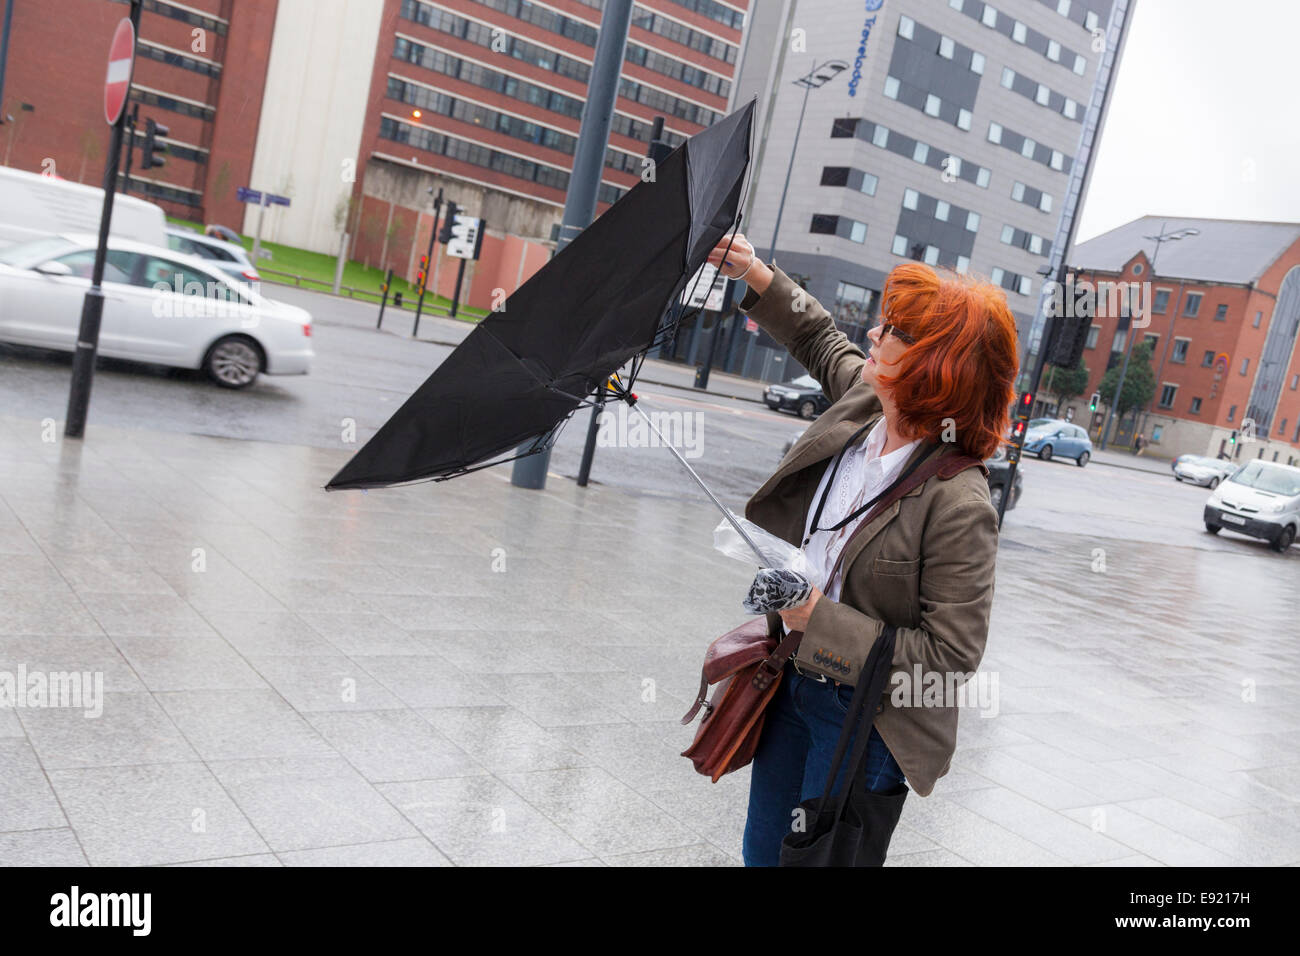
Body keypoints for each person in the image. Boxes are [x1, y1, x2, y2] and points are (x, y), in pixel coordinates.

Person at [707, 234, 1018, 866]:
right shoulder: (866, 403)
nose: (874, 334)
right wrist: (757, 274)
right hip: (792, 680)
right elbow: (820, 338)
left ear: (935, 364)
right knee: (764, 854)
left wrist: (813, 614)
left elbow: (950, 657)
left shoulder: (960, 503)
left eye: (895, 331)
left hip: (867, 720)